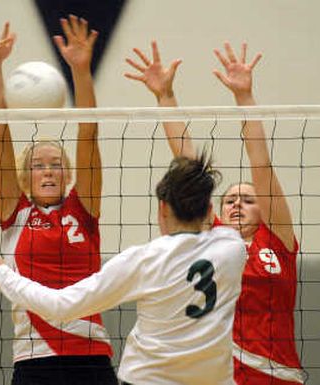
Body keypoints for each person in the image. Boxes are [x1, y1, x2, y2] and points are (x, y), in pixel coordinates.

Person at [0, 154, 247, 385]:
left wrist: (1, 274)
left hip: (148, 379)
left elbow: (62, 305)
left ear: (162, 209)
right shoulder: (232, 247)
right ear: (210, 210)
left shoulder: (143, 260)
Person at [125, 41, 305, 384]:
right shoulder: (215, 238)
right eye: (230, 200)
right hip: (220, 373)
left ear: (264, 210)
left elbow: (261, 164)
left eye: (248, 200)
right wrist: (165, 96)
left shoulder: (277, 238)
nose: (237, 203)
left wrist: (244, 98)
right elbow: (188, 163)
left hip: (277, 374)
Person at [0, 16, 117, 385]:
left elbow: (88, 132)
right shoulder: (16, 213)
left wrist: (81, 69)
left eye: (55, 165)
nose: (47, 172)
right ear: (25, 176)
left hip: (90, 357)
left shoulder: (83, 208)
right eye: (38, 166)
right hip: (34, 360)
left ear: (67, 173)